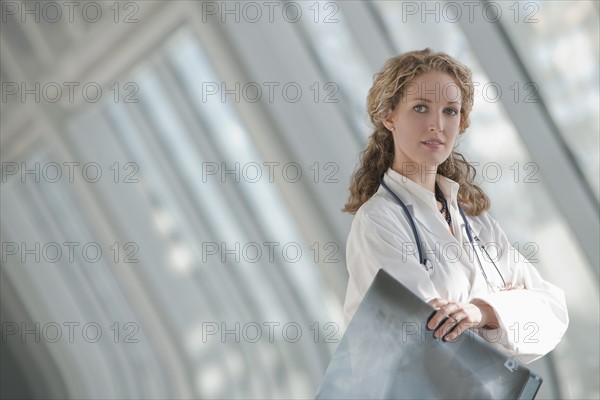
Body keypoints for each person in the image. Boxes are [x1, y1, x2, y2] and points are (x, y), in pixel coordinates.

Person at [342, 48, 568, 364]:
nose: (437, 124)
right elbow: (426, 340)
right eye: (421, 108)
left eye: (450, 111)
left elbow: (553, 314)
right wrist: (508, 308)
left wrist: (480, 312)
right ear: (389, 116)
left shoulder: (475, 220)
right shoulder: (379, 220)